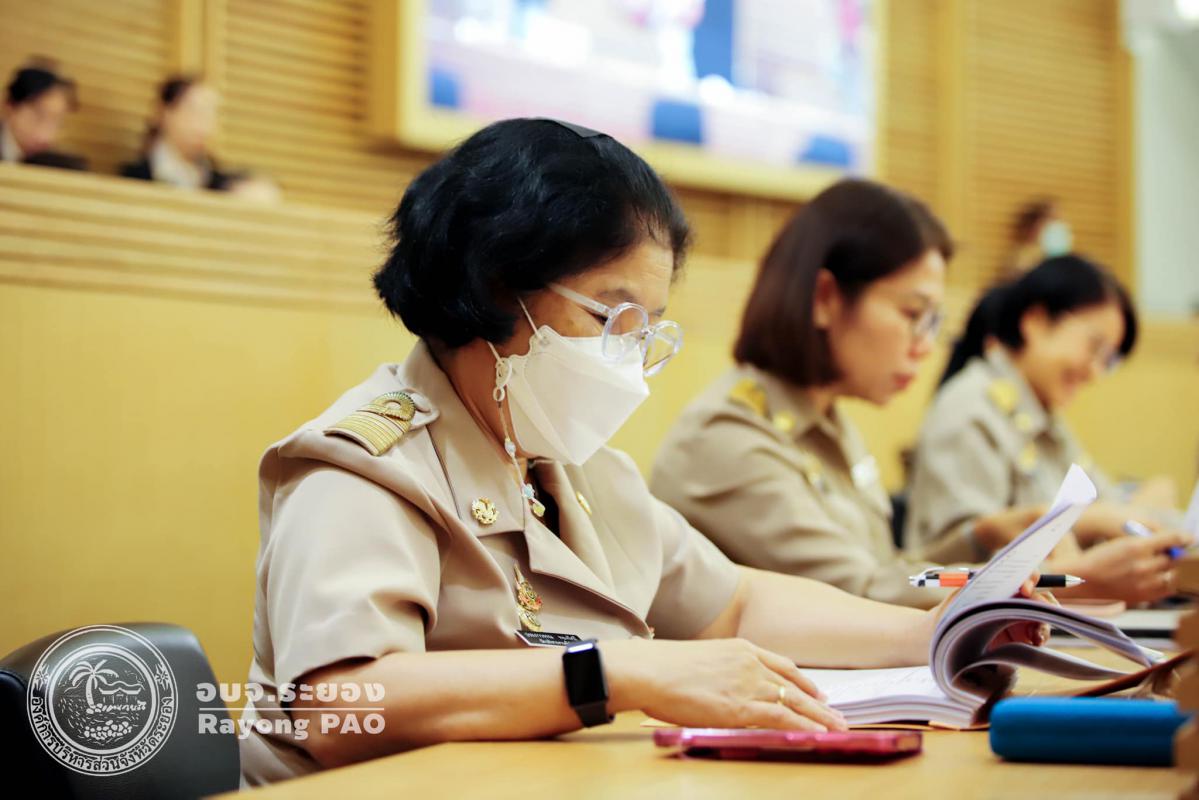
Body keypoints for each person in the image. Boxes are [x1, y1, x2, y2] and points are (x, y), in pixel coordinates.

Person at [238, 121, 1043, 785]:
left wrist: (929, 633)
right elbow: (341, 705)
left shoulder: (574, 466)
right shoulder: (364, 466)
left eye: (646, 328)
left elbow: (735, 605)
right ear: (492, 288)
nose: (627, 358)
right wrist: (616, 675)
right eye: (609, 318)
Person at [651, 179, 1040, 609]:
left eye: (933, 322)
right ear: (825, 298)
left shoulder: (829, 422)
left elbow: (881, 568)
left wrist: (976, 538)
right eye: (913, 313)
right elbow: (861, 594)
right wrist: (1019, 581)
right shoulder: (727, 436)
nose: (926, 346)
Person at [905, 256, 1188, 601]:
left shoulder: (1044, 418)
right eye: (1095, 347)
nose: (1096, 372)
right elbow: (952, 563)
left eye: (1109, 360)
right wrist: (1090, 522)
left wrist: (1136, 511)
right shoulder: (971, 408)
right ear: (1036, 322)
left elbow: (1106, 503)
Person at [121, 75, 278, 199]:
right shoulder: (133, 178)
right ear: (165, 113)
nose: (204, 125)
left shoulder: (220, 186)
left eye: (210, 115)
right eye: (195, 112)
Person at [1, 61, 87, 170]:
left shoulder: (59, 165)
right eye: (38, 116)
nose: (45, 135)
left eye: (56, 121)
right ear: (10, 107)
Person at [1001, 199, 1071, 280]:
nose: (1054, 226)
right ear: (1036, 224)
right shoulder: (1022, 255)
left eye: (1057, 220)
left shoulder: (1061, 258)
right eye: (1051, 219)